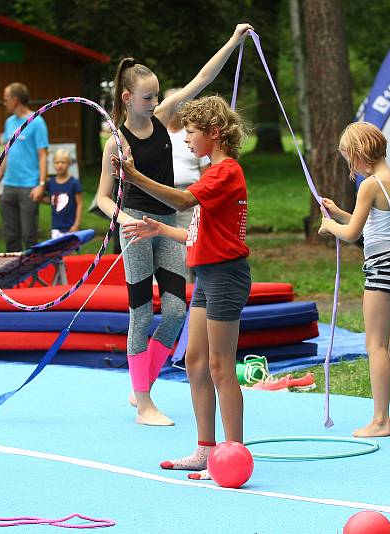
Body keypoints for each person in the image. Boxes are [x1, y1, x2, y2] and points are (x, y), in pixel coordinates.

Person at [96, 23, 254, 426]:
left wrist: (233, 42)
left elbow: (202, 79)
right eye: (147, 97)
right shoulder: (116, 141)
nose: (155, 102)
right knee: (140, 312)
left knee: (176, 310)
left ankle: (141, 380)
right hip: (133, 227)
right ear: (128, 98)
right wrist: (125, 218)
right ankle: (144, 400)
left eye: (156, 95)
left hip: (166, 220)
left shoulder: (164, 118)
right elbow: (100, 197)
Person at [118, 95, 251, 480]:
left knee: (220, 365)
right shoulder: (213, 174)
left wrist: (135, 175)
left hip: (226, 274)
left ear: (214, 133)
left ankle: (233, 453)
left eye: (191, 132)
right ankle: (205, 449)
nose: (186, 139)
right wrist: (159, 229)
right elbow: (197, 231)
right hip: (209, 273)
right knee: (195, 362)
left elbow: (180, 199)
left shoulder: (225, 173)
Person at [318, 121, 390, 438]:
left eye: (350, 157)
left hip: (383, 268)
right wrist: (338, 212)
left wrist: (329, 226)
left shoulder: (370, 184)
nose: (351, 165)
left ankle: (379, 420)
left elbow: (350, 235)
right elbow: (373, 227)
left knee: (375, 344)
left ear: (360, 152)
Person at [0, 82, 49, 252]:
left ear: (15, 100)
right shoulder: (9, 122)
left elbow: (42, 155)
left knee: (29, 235)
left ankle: (33, 275)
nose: (4, 103)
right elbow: (6, 155)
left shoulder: (36, 122)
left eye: (6, 99)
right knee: (10, 236)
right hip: (9, 186)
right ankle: (14, 276)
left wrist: (41, 184)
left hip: (29, 186)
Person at [165, 87, 211, 282]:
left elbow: (206, 170)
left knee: (188, 250)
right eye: (172, 102)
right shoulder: (155, 133)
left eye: (181, 102)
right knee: (163, 249)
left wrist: (202, 200)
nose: (177, 107)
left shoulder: (193, 134)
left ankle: (187, 295)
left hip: (190, 197)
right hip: (162, 198)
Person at [43, 149, 83, 239]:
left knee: (70, 251)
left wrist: (76, 224)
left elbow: (80, 203)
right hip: (56, 227)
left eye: (63, 162)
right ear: (53, 164)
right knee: (56, 251)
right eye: (57, 162)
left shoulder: (74, 183)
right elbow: (52, 200)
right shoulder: (51, 182)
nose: (60, 165)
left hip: (71, 226)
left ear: (69, 163)